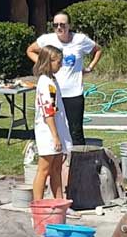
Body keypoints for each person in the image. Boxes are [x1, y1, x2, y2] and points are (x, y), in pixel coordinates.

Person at [27, 11, 102, 145]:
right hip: (54, 92)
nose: (59, 28)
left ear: (69, 25)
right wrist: (44, 64)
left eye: (62, 25)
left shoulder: (80, 39)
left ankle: (78, 162)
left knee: (75, 131)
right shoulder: (47, 39)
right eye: (55, 25)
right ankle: (59, 157)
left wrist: (89, 67)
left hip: (74, 92)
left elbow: (97, 50)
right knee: (56, 127)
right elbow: (30, 50)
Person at [32, 45, 73, 201]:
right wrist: (55, 136)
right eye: (58, 62)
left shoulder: (52, 80)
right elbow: (48, 110)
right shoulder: (45, 83)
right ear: (48, 62)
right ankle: (38, 204)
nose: (60, 65)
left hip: (58, 128)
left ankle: (59, 201)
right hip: (48, 132)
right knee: (44, 169)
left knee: (56, 168)